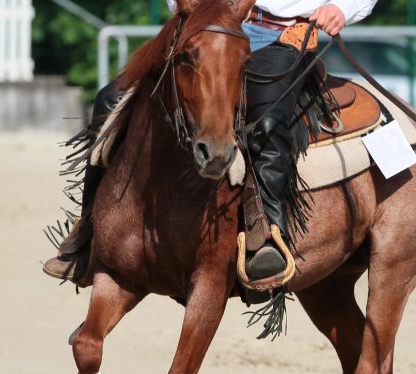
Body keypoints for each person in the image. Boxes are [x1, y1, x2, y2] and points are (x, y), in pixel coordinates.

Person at [43, 0, 378, 283]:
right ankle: (87, 231)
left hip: (284, 34)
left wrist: (341, 7)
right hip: (205, 25)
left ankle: (268, 240)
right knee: (110, 101)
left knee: (268, 122)